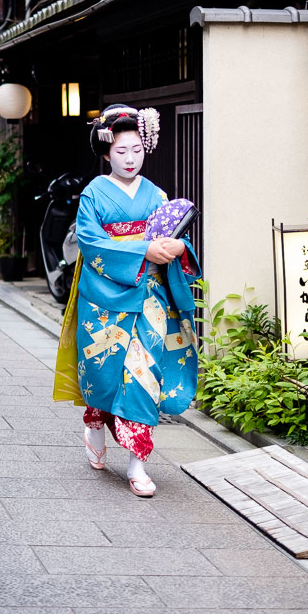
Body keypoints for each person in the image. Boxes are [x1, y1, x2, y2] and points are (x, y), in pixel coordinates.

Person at [73, 103, 200, 497]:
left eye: (136, 150)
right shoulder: (94, 193)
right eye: (121, 151)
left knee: (143, 376)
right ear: (107, 152)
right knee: (104, 372)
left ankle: (137, 463)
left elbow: (177, 238)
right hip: (106, 298)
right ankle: (95, 422)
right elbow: (91, 242)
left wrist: (179, 246)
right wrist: (143, 251)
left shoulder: (156, 194)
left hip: (148, 301)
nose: (130, 159)